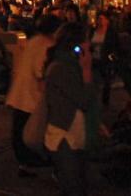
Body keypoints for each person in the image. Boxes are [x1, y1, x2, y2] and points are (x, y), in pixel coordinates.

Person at [43, 22, 97, 196]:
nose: (90, 43)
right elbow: (83, 100)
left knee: (76, 184)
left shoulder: (71, 64)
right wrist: (87, 70)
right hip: (64, 136)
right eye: (87, 39)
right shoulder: (62, 68)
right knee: (73, 186)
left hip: (75, 133)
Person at [7, 13, 60, 175]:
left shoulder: (34, 41)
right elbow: (40, 71)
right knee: (30, 130)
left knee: (20, 129)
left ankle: (24, 162)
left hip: (21, 93)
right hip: (31, 95)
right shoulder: (46, 44)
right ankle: (30, 161)